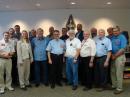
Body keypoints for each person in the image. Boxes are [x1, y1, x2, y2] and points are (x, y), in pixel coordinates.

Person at [111, 27, 127, 94]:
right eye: (114, 31)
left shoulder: (122, 37)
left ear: (119, 31)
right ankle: (114, 85)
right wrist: (112, 55)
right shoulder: (112, 38)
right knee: (113, 72)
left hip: (120, 56)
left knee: (119, 73)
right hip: (113, 56)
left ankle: (119, 88)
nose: (115, 32)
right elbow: (110, 47)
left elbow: (122, 49)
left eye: (116, 31)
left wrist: (115, 56)